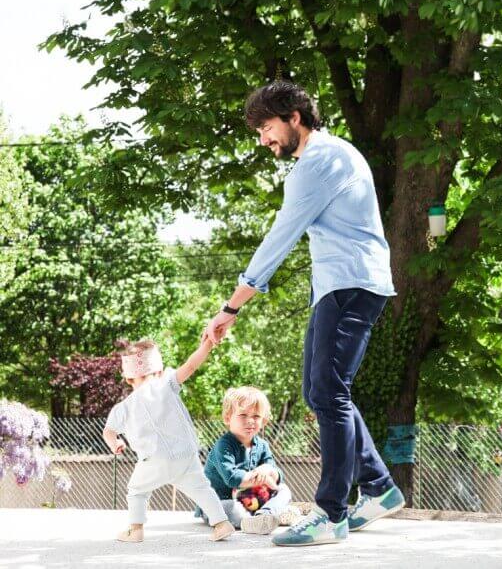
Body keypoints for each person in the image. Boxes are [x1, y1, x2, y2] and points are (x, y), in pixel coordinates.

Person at [203, 81, 404, 547]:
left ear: (294, 117)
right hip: (342, 284)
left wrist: (232, 306)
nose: (263, 140)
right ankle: (378, 487)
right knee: (322, 392)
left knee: (329, 393)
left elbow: (280, 237)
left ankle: (331, 513)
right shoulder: (330, 155)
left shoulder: (319, 162)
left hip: (350, 284)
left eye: (267, 128)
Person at [103, 338, 234, 543]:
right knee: (202, 488)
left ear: (128, 379)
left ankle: (135, 530)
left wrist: (115, 443)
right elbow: (190, 366)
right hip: (185, 454)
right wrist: (207, 344)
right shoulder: (166, 383)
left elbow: (108, 431)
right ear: (159, 370)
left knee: (137, 491)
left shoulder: (124, 407)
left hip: (153, 460)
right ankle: (221, 523)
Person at [199, 386, 299, 534]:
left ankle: (265, 514)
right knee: (229, 508)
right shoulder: (223, 446)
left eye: (256, 416)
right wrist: (259, 476)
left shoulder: (262, 445)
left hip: (253, 500)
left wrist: (268, 470)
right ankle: (267, 517)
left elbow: (276, 475)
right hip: (221, 501)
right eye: (243, 415)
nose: (250, 420)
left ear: (263, 421)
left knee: (284, 490)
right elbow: (232, 478)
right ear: (228, 418)